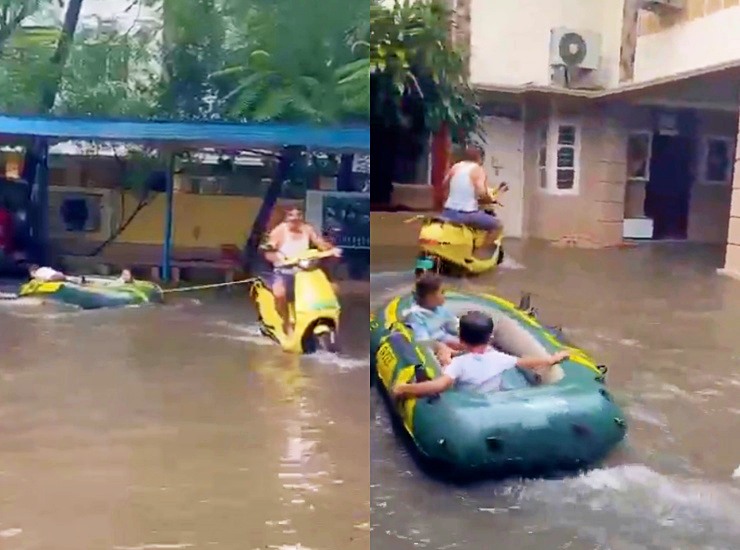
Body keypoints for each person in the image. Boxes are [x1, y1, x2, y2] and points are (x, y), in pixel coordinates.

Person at [392, 310, 569, 399]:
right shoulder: (500, 358)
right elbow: (526, 362)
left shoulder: (459, 365)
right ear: (490, 337)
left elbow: (439, 385)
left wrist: (405, 389)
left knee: (445, 361)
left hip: (469, 404)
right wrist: (551, 359)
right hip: (493, 399)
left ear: (461, 338)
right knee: (447, 355)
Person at [263, 207, 342, 336]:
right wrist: (279, 258)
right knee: (280, 294)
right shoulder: (279, 231)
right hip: (283, 271)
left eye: (298, 214)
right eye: (291, 215)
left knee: (333, 288)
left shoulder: (307, 229)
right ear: (286, 217)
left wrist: (332, 250)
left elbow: (320, 243)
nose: (295, 218)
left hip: (304, 272)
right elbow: (269, 251)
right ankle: (286, 322)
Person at [441, 144, 502, 253]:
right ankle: (479, 253)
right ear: (479, 158)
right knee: (497, 226)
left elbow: (444, 185)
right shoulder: (478, 170)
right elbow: (482, 193)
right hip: (466, 214)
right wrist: (488, 199)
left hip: (448, 211)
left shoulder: (456, 167)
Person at [401, 273, 462, 366]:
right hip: (432, 347)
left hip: (444, 338)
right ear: (430, 297)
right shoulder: (416, 315)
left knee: (464, 343)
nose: (444, 296)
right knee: (445, 357)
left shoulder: (440, 309)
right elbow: (422, 341)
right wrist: (440, 347)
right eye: (442, 292)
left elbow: (453, 324)